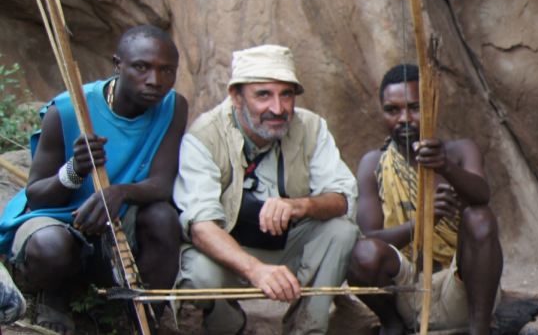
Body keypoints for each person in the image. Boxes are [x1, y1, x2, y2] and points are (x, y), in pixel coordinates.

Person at [0, 25, 186, 335]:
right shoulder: (68, 109)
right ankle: (55, 296)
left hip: (117, 222)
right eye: (141, 67)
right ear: (118, 65)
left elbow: (161, 184)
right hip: (58, 222)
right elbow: (37, 197)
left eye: (167, 70)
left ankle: (144, 313)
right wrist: (75, 170)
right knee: (50, 247)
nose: (155, 80)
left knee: (163, 218)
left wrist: (119, 193)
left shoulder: (172, 106)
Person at [173, 44, 359, 335]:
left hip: (288, 247)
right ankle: (228, 325)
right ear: (236, 96)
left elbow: (343, 199)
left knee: (342, 230)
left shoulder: (311, 127)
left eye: (286, 94)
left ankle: (306, 329)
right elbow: (200, 226)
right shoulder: (204, 136)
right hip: (229, 254)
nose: (278, 108)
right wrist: (255, 269)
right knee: (198, 274)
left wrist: (300, 205)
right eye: (263, 95)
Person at [347, 64, 503, 335]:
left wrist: (445, 167)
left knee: (480, 217)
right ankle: (392, 325)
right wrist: (425, 219)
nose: (404, 119)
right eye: (392, 110)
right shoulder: (373, 164)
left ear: (432, 106)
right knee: (361, 252)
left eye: (415, 108)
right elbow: (370, 238)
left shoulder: (459, 151)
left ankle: (480, 331)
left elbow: (482, 196)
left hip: (463, 290)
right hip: (406, 293)